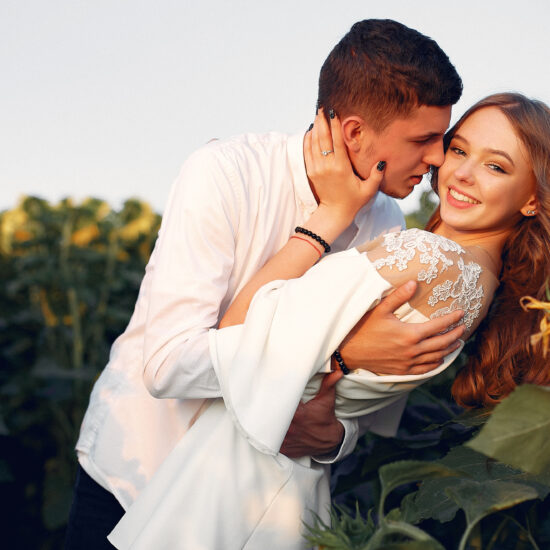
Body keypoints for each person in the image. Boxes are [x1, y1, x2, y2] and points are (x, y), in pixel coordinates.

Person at [65, 19, 464, 549]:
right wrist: (328, 227)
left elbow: (349, 408)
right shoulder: (225, 174)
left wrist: (332, 438)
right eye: (424, 140)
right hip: (138, 472)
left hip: (251, 507)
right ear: (353, 132)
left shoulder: (389, 227)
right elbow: (167, 363)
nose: (436, 159)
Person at [107, 92, 550, 549]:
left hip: (229, 486)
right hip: (260, 487)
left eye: (495, 166)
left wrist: (328, 219)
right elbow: (360, 395)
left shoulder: (423, 256)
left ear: (533, 198)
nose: (459, 171)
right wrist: (344, 360)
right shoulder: (481, 279)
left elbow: (235, 333)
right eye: (459, 149)